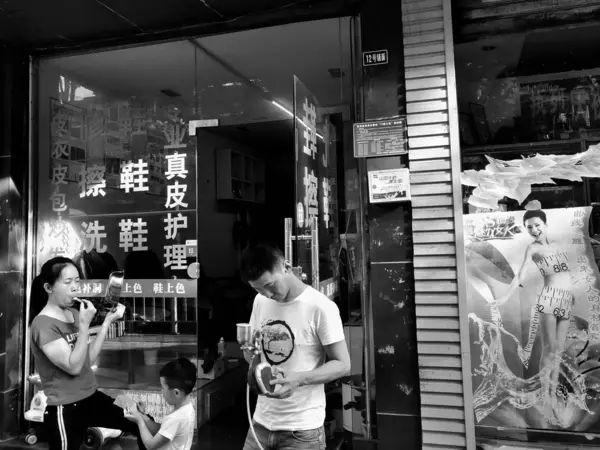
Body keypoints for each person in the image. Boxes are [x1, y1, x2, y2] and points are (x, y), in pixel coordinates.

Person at [239, 243, 351, 450]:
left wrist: (298, 379)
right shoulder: (260, 302)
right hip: (261, 423)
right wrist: (250, 353)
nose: (267, 294)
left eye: (270, 285)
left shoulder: (321, 307)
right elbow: (256, 358)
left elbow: (343, 365)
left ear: (286, 267)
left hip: (302, 431)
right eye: (257, 288)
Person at [29, 256, 143, 450]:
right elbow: (73, 367)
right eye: (68, 282)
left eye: (77, 280)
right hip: (65, 408)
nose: (75, 287)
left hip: (90, 397)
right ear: (48, 288)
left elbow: (87, 360)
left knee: (141, 422)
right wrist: (83, 325)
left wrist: (106, 322)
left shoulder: (73, 314)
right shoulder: (42, 324)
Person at [499, 209, 574, 394]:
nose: (534, 229)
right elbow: (520, 276)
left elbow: (566, 272)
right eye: (529, 227)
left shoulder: (558, 244)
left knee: (558, 352)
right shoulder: (533, 248)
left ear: (545, 225)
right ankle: (546, 395)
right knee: (549, 349)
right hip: (549, 298)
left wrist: (571, 294)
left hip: (565, 298)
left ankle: (553, 394)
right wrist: (504, 298)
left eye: (537, 225)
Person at [124, 357, 197, 450]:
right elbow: (162, 430)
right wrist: (142, 415)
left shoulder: (177, 417)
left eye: (163, 387)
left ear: (176, 393)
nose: (161, 390)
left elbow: (150, 445)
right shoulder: (185, 408)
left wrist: (139, 421)